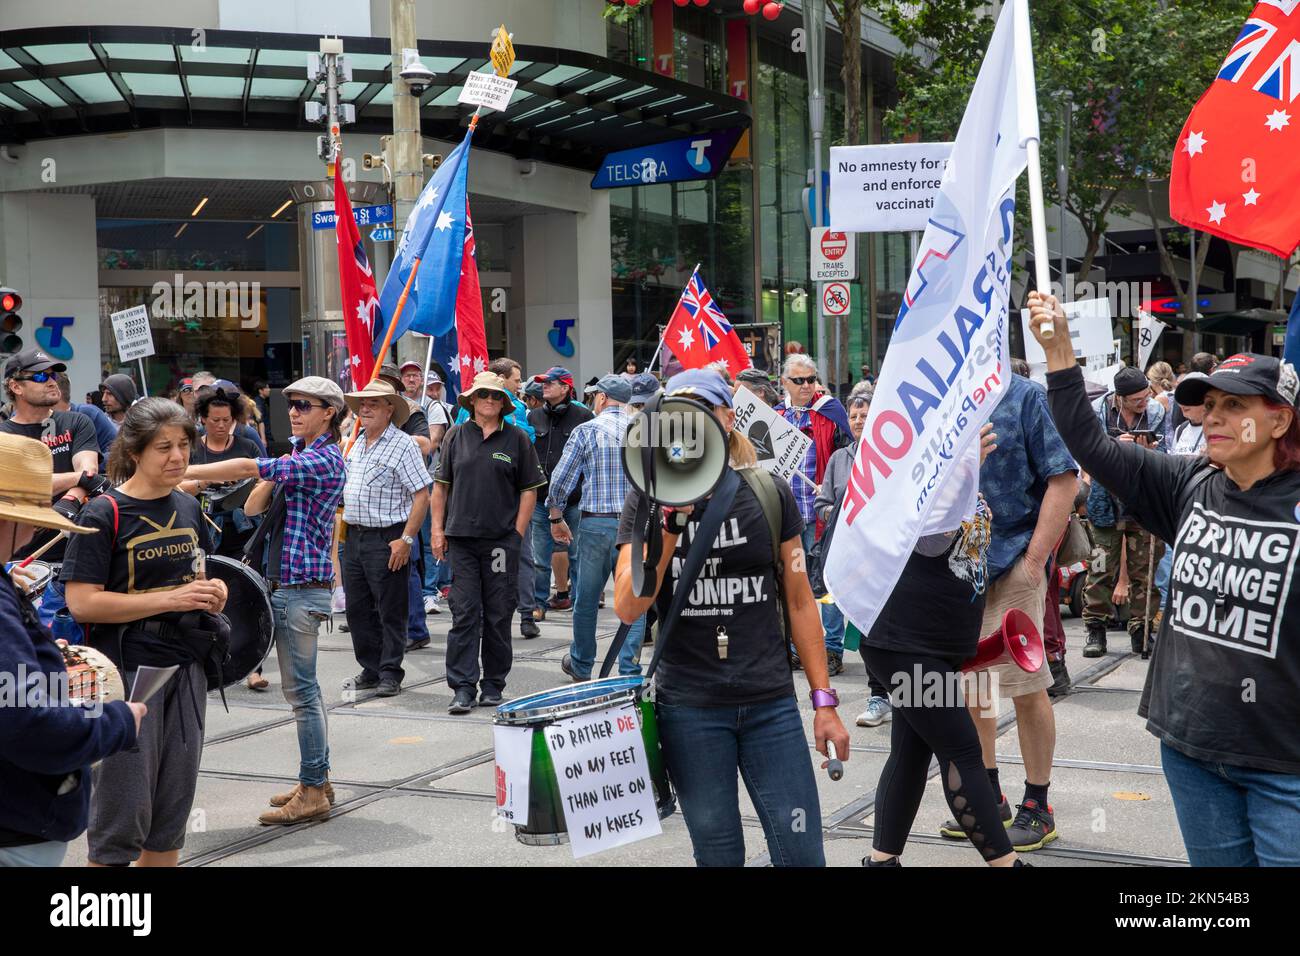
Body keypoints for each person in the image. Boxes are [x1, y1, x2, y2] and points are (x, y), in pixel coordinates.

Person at [1031, 290, 1300, 866]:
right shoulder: (1188, 482)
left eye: (1235, 407)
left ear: (1279, 421)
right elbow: (1091, 446)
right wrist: (1059, 354)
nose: (1213, 418)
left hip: (1287, 767)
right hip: (1194, 750)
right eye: (1209, 406)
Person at [613, 368, 850, 866]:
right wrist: (671, 523)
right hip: (690, 707)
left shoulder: (767, 490)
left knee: (803, 850)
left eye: (704, 413)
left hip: (770, 706)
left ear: (727, 418)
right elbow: (628, 605)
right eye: (680, 415)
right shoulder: (647, 495)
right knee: (718, 853)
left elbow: (801, 600)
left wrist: (824, 702)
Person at [63, 397, 229, 866]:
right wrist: (168, 601)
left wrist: (212, 591)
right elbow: (82, 602)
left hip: (187, 667)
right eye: (163, 448)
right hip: (127, 674)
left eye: (183, 446)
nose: (177, 457)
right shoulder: (103, 513)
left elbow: (194, 576)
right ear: (135, 452)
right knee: (122, 813)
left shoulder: (188, 506)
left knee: (170, 814)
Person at [184, 376, 347, 825]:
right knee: (303, 693)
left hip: (299, 589)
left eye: (305, 405)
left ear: (329, 412)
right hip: (286, 585)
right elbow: (254, 507)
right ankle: (317, 778)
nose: (293, 411)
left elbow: (247, 468)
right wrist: (271, 471)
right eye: (291, 404)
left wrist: (188, 473)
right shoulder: (300, 455)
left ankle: (314, 788)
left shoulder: (323, 459)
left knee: (303, 694)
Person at [860, 426, 1024, 867]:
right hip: (905, 645)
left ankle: (881, 861)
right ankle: (1006, 864)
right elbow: (931, 542)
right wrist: (959, 471)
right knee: (964, 751)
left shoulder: (961, 479)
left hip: (931, 645)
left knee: (911, 754)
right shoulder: (915, 482)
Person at [937, 367, 1077, 853]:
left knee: (1024, 686)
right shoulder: (943, 395)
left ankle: (1038, 806)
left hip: (1013, 558)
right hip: (959, 567)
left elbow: (1065, 478)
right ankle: (987, 796)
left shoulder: (1024, 396)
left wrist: (1034, 561)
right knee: (976, 686)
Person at [0, 433, 146, 867]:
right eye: (28, 520)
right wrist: (119, 720)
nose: (31, 533)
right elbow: (27, 723)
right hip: (13, 828)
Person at [432, 372, 544, 714]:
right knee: (464, 612)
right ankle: (463, 687)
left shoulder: (517, 439)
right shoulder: (455, 436)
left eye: (496, 397)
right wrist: (437, 530)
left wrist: (517, 534)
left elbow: (529, 489)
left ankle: (493, 684)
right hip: (462, 541)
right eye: (484, 396)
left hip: (500, 543)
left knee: (497, 613)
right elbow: (440, 487)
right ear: (472, 401)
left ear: (503, 404)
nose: (490, 402)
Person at [547, 374, 646, 681]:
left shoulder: (587, 430)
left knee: (586, 599)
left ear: (602, 398)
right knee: (634, 600)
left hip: (595, 524)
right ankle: (629, 668)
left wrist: (555, 514)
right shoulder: (644, 432)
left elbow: (562, 478)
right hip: (636, 526)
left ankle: (581, 663)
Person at [340, 380, 430, 696]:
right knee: (357, 608)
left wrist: (406, 539)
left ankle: (391, 671)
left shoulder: (403, 444)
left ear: (389, 409)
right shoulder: (353, 443)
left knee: (390, 608)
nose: (365, 409)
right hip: (353, 537)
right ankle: (372, 667)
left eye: (374, 404)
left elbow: (422, 495)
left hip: (388, 536)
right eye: (362, 404)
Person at [0, 349, 101, 626]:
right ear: (16, 386)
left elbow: (89, 472)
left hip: (78, 557)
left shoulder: (76, 421)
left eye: (54, 374)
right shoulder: (4, 438)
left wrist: (69, 497)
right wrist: (76, 480)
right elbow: (20, 487)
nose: (52, 381)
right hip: (24, 561)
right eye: (41, 376)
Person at [815, 394, 893, 727]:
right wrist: (837, 514)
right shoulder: (838, 459)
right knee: (863, 628)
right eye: (854, 415)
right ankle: (880, 694)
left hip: (884, 558)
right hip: (849, 558)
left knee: (885, 628)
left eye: (865, 414)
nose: (859, 420)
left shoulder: (890, 456)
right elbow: (822, 504)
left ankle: (890, 693)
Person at [774, 353, 852, 674]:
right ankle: (796, 648)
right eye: (799, 381)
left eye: (811, 379)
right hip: (786, 517)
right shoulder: (774, 417)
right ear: (785, 383)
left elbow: (851, 455)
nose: (807, 386)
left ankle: (832, 649)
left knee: (827, 583)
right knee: (793, 584)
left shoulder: (831, 412)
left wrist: (833, 486)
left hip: (821, 513)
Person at [1082, 366, 1167, 657]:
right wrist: (1114, 446)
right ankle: (1095, 629)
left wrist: (1149, 451)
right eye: (1137, 400)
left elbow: (1165, 455)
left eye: (1146, 396)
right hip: (1105, 503)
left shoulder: (1156, 412)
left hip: (1143, 502)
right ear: (1120, 398)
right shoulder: (1097, 412)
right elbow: (1087, 452)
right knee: (1100, 569)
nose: (1144, 403)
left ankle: (1141, 631)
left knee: (1145, 572)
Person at [527, 367, 592, 621]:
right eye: (542, 383)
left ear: (565, 387)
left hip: (574, 499)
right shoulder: (533, 416)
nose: (544, 386)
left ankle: (579, 605)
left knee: (576, 555)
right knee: (539, 557)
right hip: (541, 498)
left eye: (549, 383)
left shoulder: (584, 416)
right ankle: (538, 604)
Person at [181, 386, 261, 559]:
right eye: (215, 420)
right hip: (200, 526)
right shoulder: (190, 448)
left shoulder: (248, 446)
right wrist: (207, 480)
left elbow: (264, 482)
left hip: (243, 528)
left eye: (227, 420)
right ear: (203, 419)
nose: (221, 425)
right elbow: (175, 488)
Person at [54, 371, 117, 464]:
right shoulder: (37, 422)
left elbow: (117, 453)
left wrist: (88, 464)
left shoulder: (89, 414)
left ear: (55, 393)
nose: (104, 399)